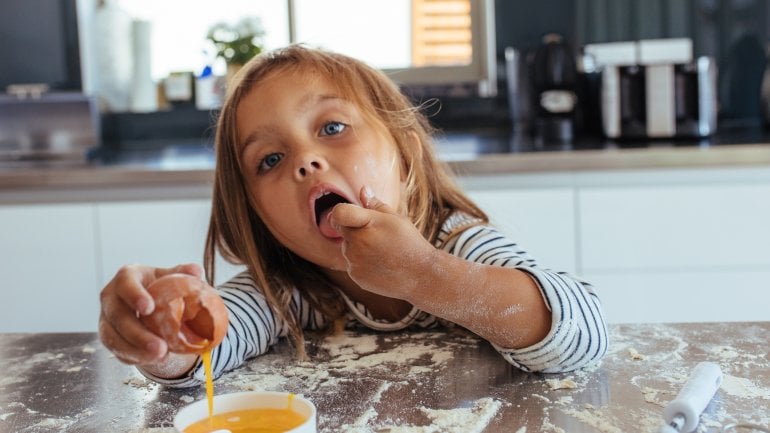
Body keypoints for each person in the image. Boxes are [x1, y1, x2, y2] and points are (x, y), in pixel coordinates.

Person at [98, 44, 608, 388]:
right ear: (256, 213)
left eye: (333, 127)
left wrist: (424, 274)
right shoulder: (288, 289)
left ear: (405, 157)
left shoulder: (458, 243)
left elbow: (581, 336)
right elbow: (210, 349)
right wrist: (164, 331)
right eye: (270, 160)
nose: (305, 160)